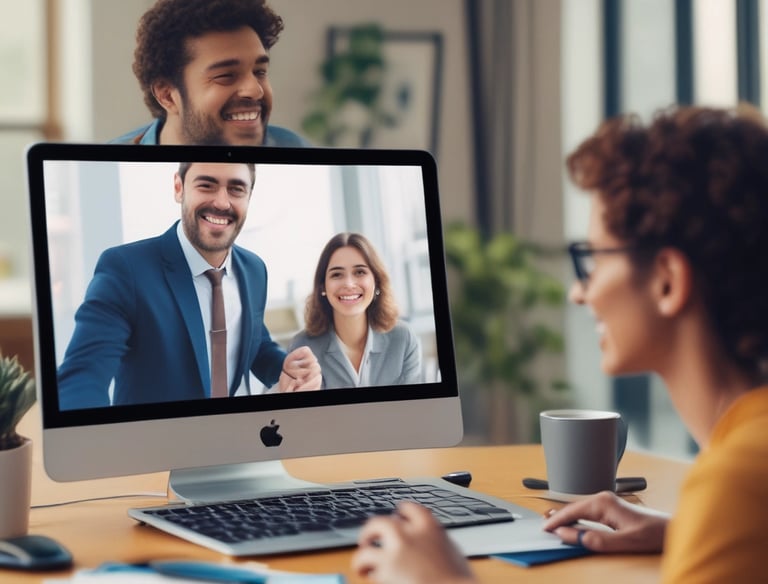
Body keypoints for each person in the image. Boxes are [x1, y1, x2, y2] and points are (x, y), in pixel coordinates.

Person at [351, 104, 768, 583]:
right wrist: (686, 533)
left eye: (593, 260)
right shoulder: (746, 468)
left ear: (667, 281)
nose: (578, 292)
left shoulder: (737, 482)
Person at [58, 162, 321, 409]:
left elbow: (254, 342)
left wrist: (286, 367)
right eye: (206, 185)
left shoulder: (254, 269)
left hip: (237, 434)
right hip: (158, 441)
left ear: (249, 196)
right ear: (179, 188)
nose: (221, 202)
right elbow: (84, 374)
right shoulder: (127, 269)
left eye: (236, 189)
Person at [111, 0, 308, 147]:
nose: (256, 91)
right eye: (226, 75)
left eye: (260, 71)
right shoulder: (105, 164)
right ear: (167, 95)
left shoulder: (298, 151)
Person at [289, 232, 422, 389]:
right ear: (323, 286)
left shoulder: (403, 339)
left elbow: (414, 404)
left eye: (360, 272)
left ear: (376, 281)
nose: (349, 284)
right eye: (337, 274)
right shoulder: (302, 347)